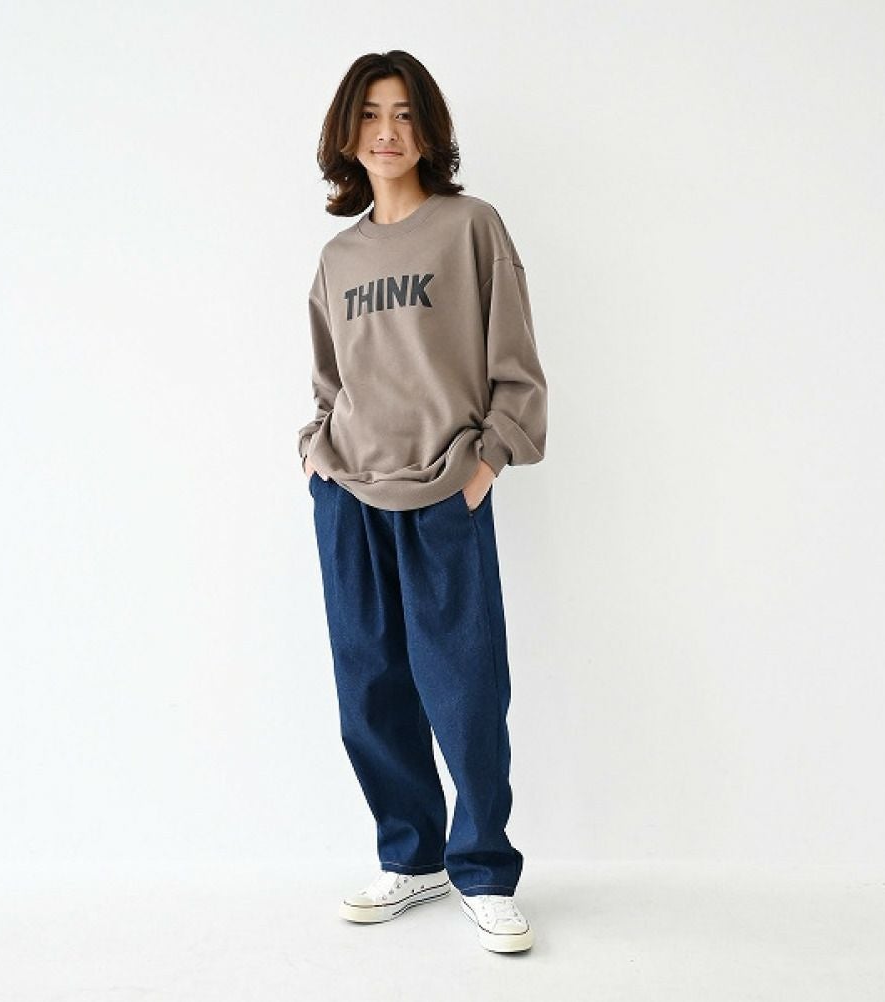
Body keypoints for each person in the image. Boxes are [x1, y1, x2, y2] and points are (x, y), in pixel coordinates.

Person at [297, 50, 548, 955]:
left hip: (446, 488)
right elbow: (330, 381)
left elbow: (515, 369)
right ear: (347, 134)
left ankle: (482, 868)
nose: (388, 132)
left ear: (429, 129)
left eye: (404, 113)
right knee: (369, 688)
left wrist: (487, 464)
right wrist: (316, 456)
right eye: (370, 115)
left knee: (466, 688)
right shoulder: (339, 257)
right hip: (349, 493)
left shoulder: (471, 228)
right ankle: (411, 855)